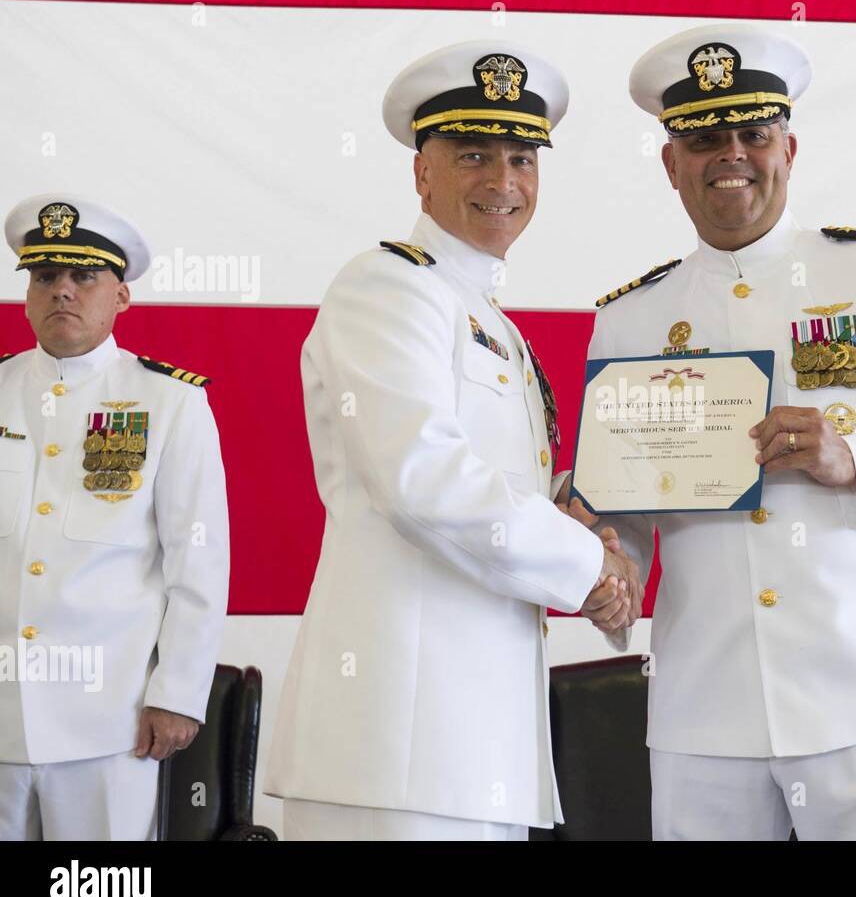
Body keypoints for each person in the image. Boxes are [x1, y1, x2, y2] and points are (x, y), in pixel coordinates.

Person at [577, 24, 856, 839]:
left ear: (790, 147)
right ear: (671, 163)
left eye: (754, 132)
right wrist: (609, 569)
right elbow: (626, 510)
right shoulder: (629, 320)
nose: (731, 154)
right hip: (705, 706)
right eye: (704, 138)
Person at [265, 42, 640, 841]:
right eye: (473, 154)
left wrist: (580, 524)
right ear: (421, 172)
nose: (502, 182)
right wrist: (588, 566)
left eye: (520, 158)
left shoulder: (487, 319)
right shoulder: (387, 287)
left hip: (473, 750)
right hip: (392, 752)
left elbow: (496, 492)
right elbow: (421, 478)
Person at [0, 194, 228, 840]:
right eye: (46, 277)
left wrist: (178, 692)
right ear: (26, 294)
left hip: (111, 723)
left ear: (121, 296)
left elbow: (199, 560)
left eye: (83, 276)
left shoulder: (169, 402)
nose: (62, 292)